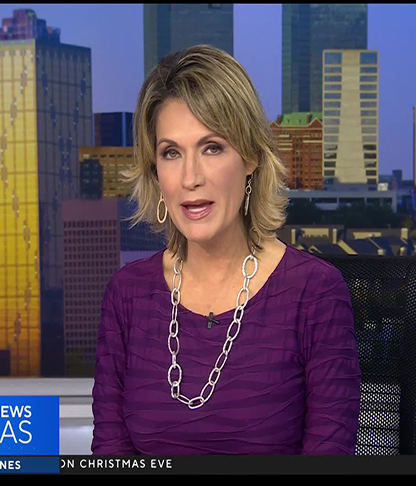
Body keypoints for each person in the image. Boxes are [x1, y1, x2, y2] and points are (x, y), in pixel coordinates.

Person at [91, 44, 360, 455]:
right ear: (155, 170)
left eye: (212, 147)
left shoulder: (315, 292)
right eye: (171, 153)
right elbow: (110, 453)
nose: (190, 177)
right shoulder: (127, 295)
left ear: (250, 156)